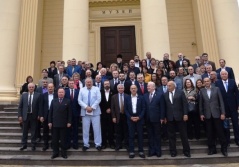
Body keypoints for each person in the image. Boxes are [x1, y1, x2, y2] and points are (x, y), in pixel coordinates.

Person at [199, 77, 228, 157]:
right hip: (207, 115)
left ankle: (224, 149)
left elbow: (221, 102)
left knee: (220, 132)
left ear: (210, 81)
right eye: (205, 81)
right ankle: (212, 149)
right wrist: (201, 114)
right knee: (209, 133)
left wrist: (223, 113)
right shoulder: (202, 91)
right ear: (203, 83)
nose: (206, 82)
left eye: (208, 81)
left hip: (217, 114)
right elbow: (201, 104)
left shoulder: (216, 89)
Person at [164, 81, 191, 158]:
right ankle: (173, 151)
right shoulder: (165, 95)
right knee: (171, 136)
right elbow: (164, 107)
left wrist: (185, 114)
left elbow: (185, 104)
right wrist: (164, 117)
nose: (168, 87)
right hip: (170, 118)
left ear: (174, 86)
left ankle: (186, 151)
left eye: (169, 85)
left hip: (180, 117)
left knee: (183, 135)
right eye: (167, 86)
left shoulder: (180, 93)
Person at [215, 70, 239, 146]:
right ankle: (227, 141)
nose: (224, 75)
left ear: (227, 75)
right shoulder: (217, 83)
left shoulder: (232, 81)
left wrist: (238, 104)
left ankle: (237, 139)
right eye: (223, 74)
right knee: (225, 126)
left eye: (225, 74)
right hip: (223, 107)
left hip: (233, 106)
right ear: (220, 75)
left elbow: (237, 93)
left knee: (235, 125)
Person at [78, 78, 102, 151]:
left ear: (92, 82)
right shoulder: (82, 90)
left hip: (95, 112)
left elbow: (99, 99)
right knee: (85, 129)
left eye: (90, 82)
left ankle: (98, 144)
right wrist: (86, 107)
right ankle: (86, 144)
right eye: (87, 82)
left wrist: (92, 107)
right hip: (85, 112)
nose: (89, 83)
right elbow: (79, 100)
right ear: (85, 83)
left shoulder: (96, 89)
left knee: (97, 129)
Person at [48, 88, 72, 159]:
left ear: (64, 93)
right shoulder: (53, 101)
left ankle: (63, 153)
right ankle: (55, 153)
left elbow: (70, 113)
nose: (61, 93)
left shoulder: (67, 101)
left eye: (62, 92)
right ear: (57, 93)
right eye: (59, 92)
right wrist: (49, 122)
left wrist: (69, 121)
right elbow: (50, 112)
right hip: (55, 124)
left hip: (64, 124)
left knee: (63, 139)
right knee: (55, 140)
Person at [144, 81, 165, 157]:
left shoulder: (159, 95)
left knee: (157, 135)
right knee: (150, 136)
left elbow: (162, 107)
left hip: (157, 119)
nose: (147, 88)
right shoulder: (145, 95)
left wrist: (162, 117)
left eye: (149, 86)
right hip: (148, 119)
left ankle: (158, 151)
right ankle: (151, 151)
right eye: (147, 86)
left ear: (153, 87)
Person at [18, 83, 41, 151]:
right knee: (24, 131)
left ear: (34, 88)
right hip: (25, 115)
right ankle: (23, 144)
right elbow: (20, 107)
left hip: (34, 116)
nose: (31, 88)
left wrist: (39, 115)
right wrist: (20, 115)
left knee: (33, 131)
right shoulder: (24, 95)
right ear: (28, 88)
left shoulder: (38, 95)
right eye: (30, 87)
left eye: (32, 87)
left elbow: (39, 107)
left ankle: (33, 144)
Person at [125, 85, 145, 158]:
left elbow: (143, 109)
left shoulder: (141, 98)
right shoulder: (127, 98)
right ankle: (131, 151)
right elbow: (126, 109)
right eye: (132, 88)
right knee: (131, 136)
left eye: (134, 88)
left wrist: (139, 117)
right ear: (130, 89)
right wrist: (130, 117)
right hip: (130, 119)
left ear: (137, 89)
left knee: (140, 135)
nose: (133, 89)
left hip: (139, 119)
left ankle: (141, 151)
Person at [111, 84, 129, 151]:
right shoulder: (114, 97)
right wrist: (113, 117)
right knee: (118, 132)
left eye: (122, 88)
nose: (121, 89)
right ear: (117, 89)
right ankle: (118, 145)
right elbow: (112, 108)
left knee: (126, 131)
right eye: (119, 88)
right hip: (117, 116)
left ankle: (127, 145)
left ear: (124, 89)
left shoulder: (127, 96)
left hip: (125, 116)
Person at [39, 83, 56, 151]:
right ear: (47, 88)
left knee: (54, 131)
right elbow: (41, 106)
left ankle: (53, 144)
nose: (50, 88)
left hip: (54, 115)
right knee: (45, 131)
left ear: (54, 88)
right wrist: (41, 116)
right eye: (49, 87)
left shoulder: (56, 95)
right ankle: (45, 145)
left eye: (51, 87)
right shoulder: (43, 95)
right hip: (46, 115)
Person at [65, 79, 81, 149]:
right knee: (67, 130)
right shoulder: (65, 92)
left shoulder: (78, 91)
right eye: (70, 83)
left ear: (74, 84)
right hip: (67, 114)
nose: (71, 84)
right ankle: (68, 144)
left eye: (72, 83)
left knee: (75, 129)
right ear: (68, 84)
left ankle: (75, 144)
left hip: (76, 114)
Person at [100, 80, 115, 149]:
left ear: (110, 84)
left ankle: (111, 143)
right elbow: (99, 103)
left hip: (111, 114)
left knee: (111, 129)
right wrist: (104, 109)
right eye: (105, 84)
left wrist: (111, 109)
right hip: (102, 113)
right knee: (103, 129)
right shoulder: (100, 92)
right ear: (103, 85)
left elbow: (115, 102)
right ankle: (104, 143)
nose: (106, 85)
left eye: (108, 84)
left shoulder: (113, 91)